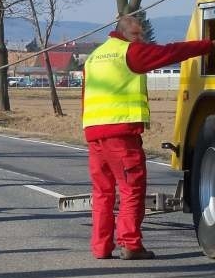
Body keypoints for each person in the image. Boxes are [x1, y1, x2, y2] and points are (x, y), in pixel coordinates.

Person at [82, 14, 214, 260]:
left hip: (94, 134)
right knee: (132, 189)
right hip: (120, 134)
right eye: (136, 34)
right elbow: (170, 53)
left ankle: (100, 247)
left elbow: (86, 97)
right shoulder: (129, 53)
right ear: (123, 32)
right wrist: (209, 45)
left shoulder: (94, 57)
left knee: (102, 192)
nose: (141, 38)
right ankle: (131, 244)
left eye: (141, 34)